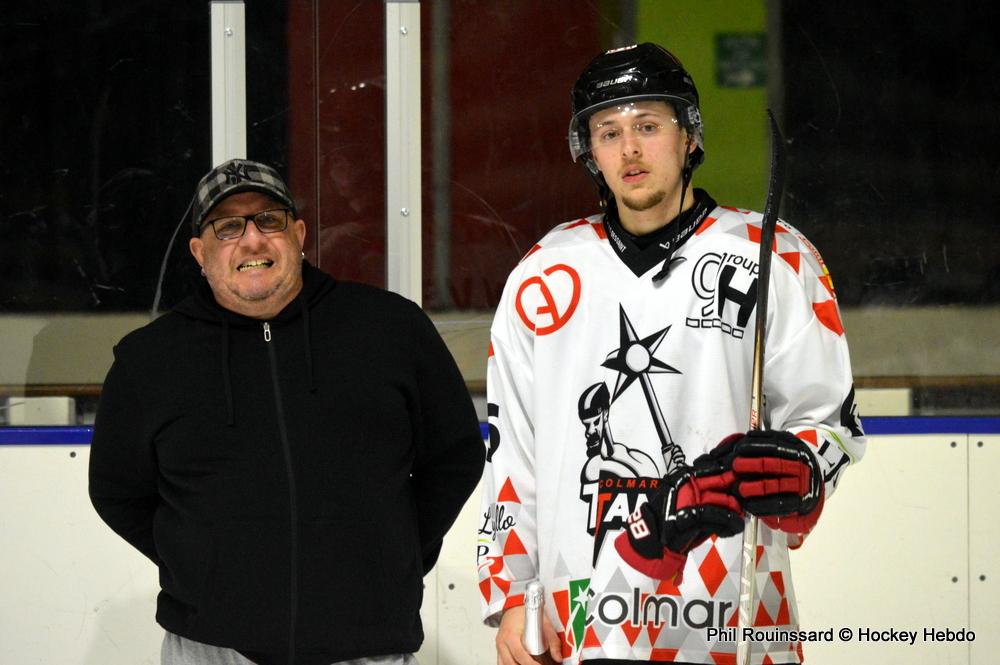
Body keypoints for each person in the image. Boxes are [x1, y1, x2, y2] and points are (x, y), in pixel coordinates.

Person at [478, 43, 866, 664]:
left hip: (732, 616)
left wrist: (803, 470)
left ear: (689, 137)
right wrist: (512, 592)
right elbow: (512, 450)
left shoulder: (776, 256)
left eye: (648, 126)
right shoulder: (544, 273)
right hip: (582, 616)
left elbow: (830, 421)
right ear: (590, 153)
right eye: (609, 132)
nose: (629, 148)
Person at [89, 159, 486, 665]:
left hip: (369, 648)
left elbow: (454, 458)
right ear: (199, 252)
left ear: (298, 235)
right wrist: (200, 566)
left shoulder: (390, 329)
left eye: (268, 220)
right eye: (227, 227)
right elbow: (117, 491)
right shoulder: (150, 360)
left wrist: (396, 554)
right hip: (212, 651)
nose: (252, 240)